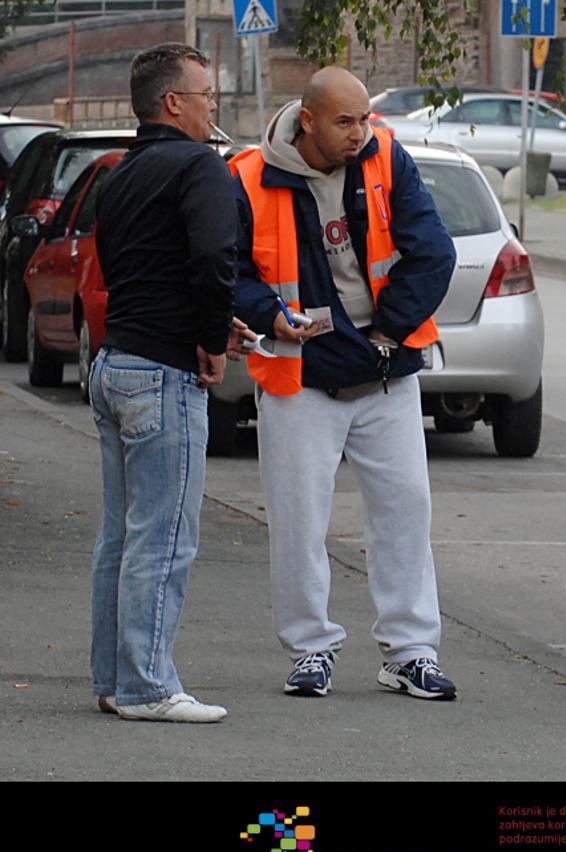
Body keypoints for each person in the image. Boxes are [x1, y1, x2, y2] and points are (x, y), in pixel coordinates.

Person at [232, 66, 457, 701]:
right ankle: (310, 651)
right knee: (300, 521)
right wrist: (271, 315)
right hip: (300, 377)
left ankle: (411, 652)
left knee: (406, 509)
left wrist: (388, 331)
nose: (361, 132)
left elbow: (432, 251)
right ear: (308, 121)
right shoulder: (248, 177)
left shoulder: (386, 157)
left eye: (364, 119)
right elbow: (231, 270)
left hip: (386, 369)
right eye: (345, 122)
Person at [91, 43, 253, 723]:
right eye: (206, 93)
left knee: (121, 537)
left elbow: (145, 267)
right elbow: (216, 257)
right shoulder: (200, 167)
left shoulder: (120, 175)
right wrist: (212, 339)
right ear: (173, 103)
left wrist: (209, 321)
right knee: (163, 538)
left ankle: (113, 678)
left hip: (115, 363)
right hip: (163, 374)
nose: (214, 105)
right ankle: (149, 688)